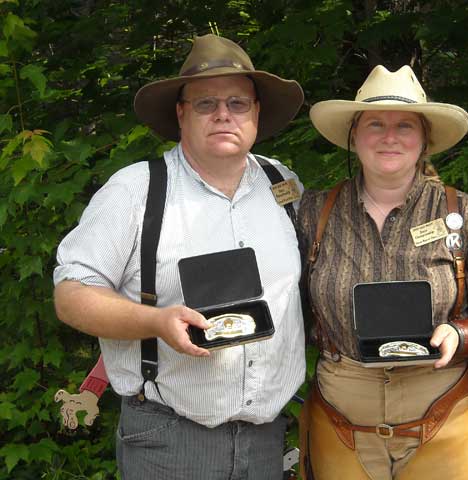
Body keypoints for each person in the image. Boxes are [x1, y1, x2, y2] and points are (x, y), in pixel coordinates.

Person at [53, 34, 306, 479]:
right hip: (169, 441)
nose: (224, 114)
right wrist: (156, 322)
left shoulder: (282, 184)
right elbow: (72, 294)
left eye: (238, 102)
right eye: (206, 103)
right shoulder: (136, 191)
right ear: (181, 113)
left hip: (268, 440)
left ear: (257, 112)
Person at [297, 65, 468, 479]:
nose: (390, 137)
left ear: (425, 139)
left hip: (446, 416)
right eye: (375, 123)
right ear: (354, 135)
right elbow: (287, 314)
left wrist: (462, 334)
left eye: (404, 125)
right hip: (340, 421)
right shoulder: (315, 214)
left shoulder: (467, 214)